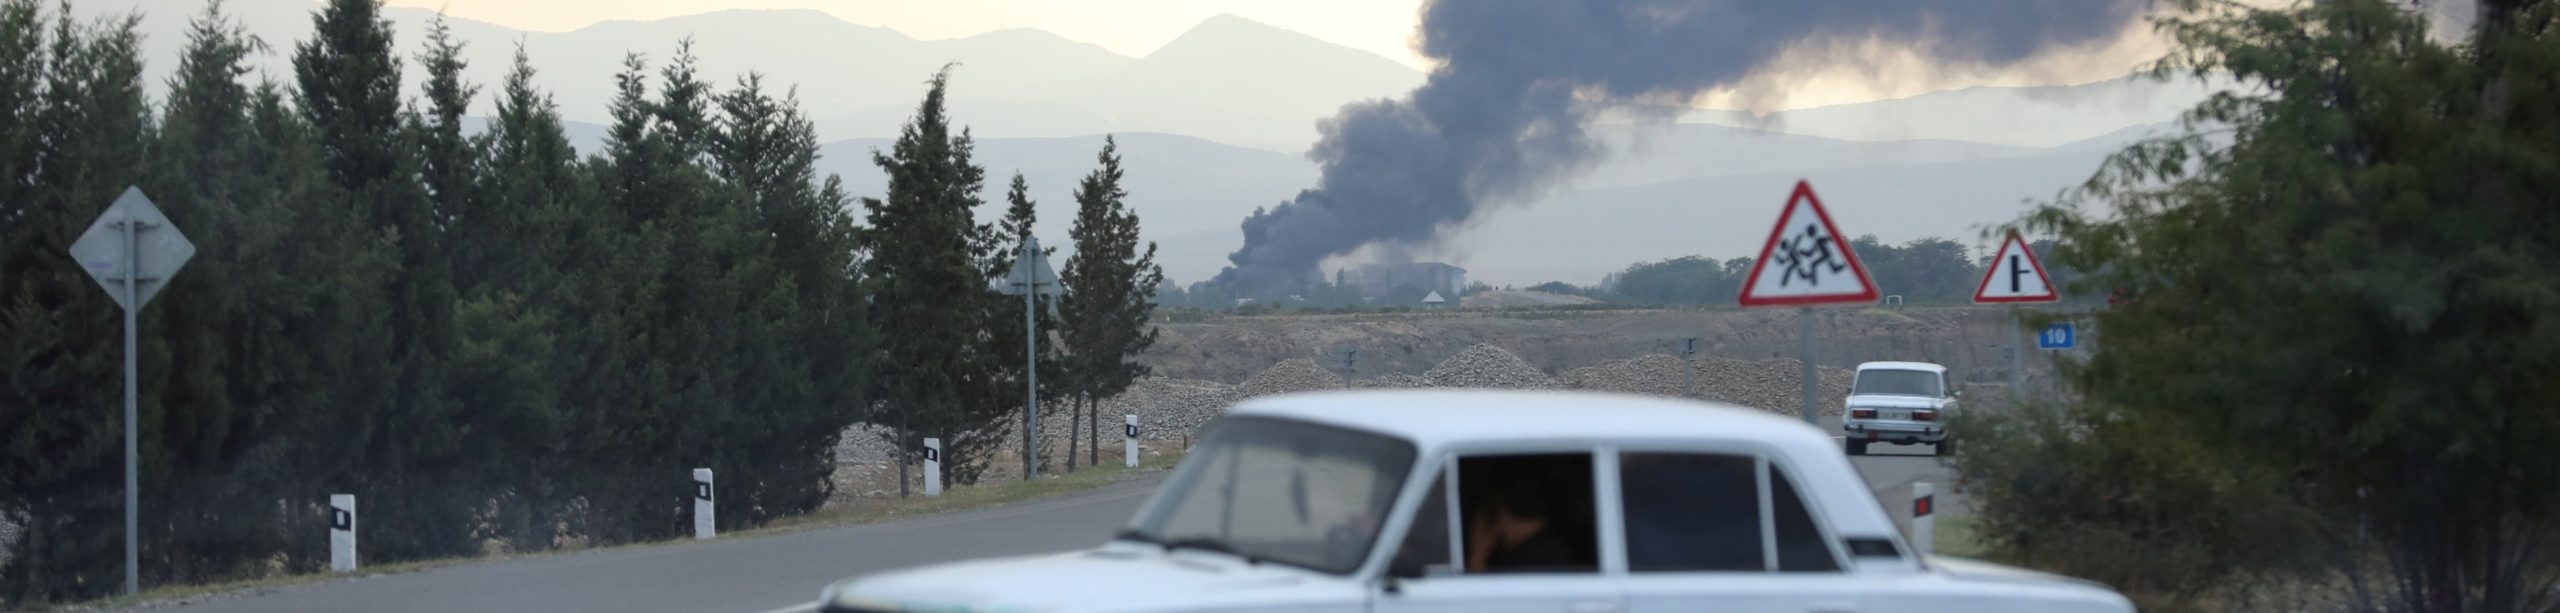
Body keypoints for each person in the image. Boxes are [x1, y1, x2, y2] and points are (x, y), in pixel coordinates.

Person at [1465, 476, 1577, 572]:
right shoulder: (1549, 547)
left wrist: (1478, 553)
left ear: (1502, 513)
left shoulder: (1533, 558)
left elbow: (1477, 589)